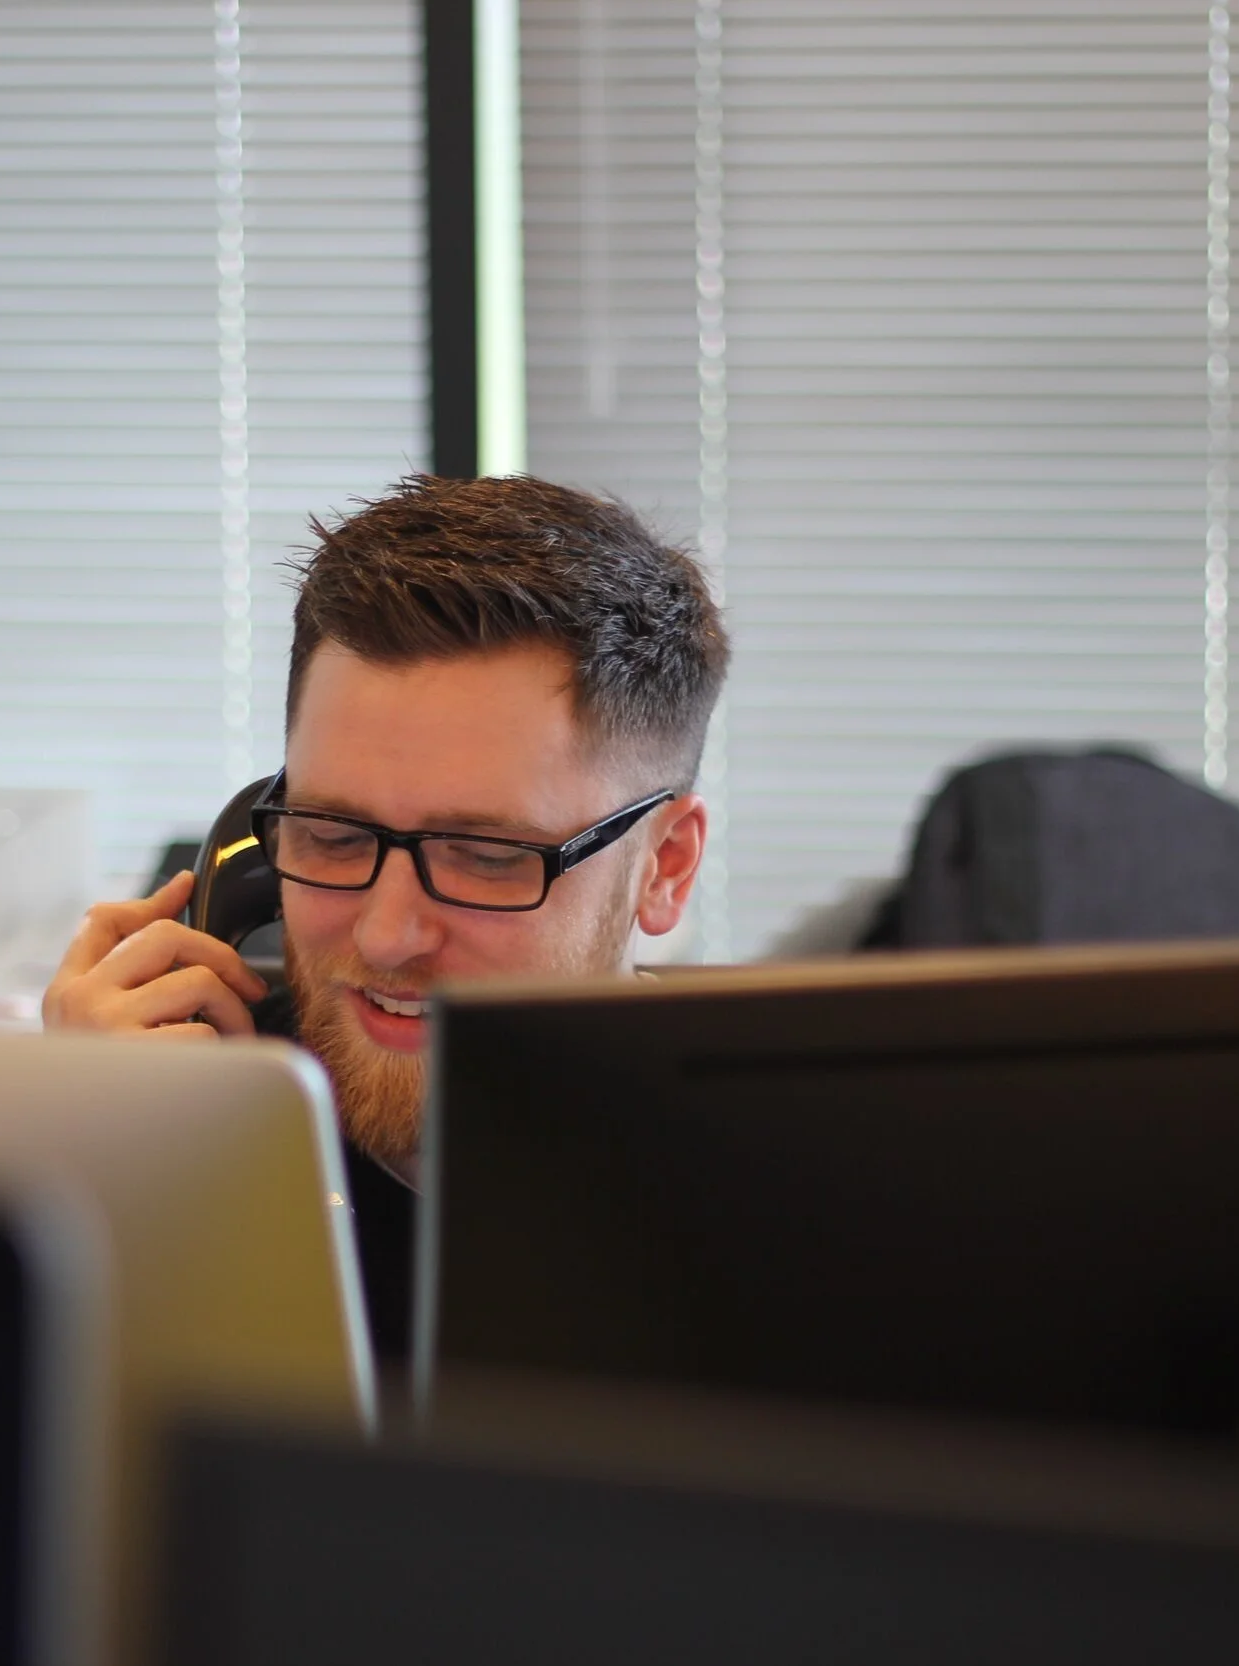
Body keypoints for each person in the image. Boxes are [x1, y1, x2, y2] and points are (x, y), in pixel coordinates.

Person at [42, 473, 730, 1355]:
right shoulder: (175, 1118)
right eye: (332, 835)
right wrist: (83, 1171)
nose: (386, 935)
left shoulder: (796, 1209)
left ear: (665, 866)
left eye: (487, 856)